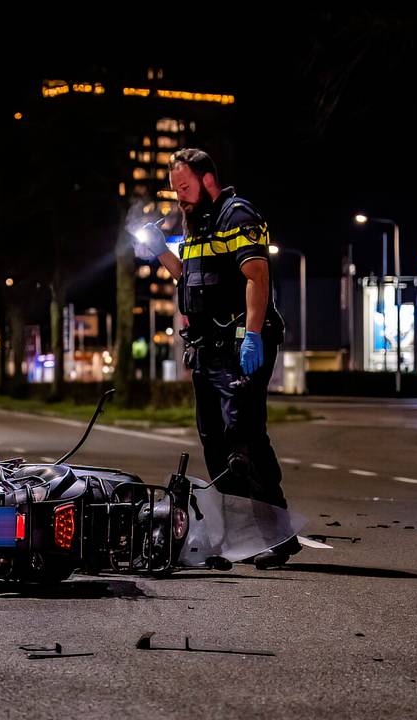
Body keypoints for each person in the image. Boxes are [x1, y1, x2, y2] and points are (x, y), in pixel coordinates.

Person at [134, 148, 299, 568]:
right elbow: (189, 277)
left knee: (243, 438)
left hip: (239, 344)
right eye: (175, 192)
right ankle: (242, 536)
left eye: (185, 189)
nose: (180, 199)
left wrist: (254, 335)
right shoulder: (199, 223)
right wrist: (160, 252)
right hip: (207, 347)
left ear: (208, 180)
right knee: (214, 439)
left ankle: (277, 535)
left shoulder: (238, 215)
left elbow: (256, 276)